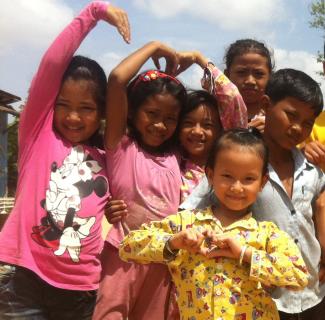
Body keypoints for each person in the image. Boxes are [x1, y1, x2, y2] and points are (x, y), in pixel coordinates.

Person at [0, 2, 130, 319]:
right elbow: (50, 65)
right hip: (25, 282)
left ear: (101, 113)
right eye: (63, 105)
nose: (73, 116)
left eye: (86, 108)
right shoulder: (37, 136)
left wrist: (113, 206)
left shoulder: (109, 156)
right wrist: (94, 13)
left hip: (80, 289)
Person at [119, 128, 308, 320]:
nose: (236, 187)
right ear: (210, 175)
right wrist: (173, 243)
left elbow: (299, 276)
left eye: (248, 179)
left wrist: (244, 253)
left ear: (262, 182)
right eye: (227, 176)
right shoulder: (187, 224)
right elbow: (127, 246)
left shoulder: (267, 234)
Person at [182, 68, 325, 320]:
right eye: (291, 115)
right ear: (267, 105)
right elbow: (190, 212)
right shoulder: (238, 160)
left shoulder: (312, 170)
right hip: (258, 296)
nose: (297, 128)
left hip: (312, 291)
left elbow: (319, 211)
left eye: (307, 123)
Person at [93, 41, 188, 320]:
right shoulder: (121, 147)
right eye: (152, 114)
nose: (160, 125)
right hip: (122, 256)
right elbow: (117, 80)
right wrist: (155, 46)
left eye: (170, 118)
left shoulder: (176, 155)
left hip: (162, 260)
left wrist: (194, 59)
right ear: (133, 112)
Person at [179, 90, 222, 201]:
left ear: (220, 130)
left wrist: (211, 71)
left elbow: (233, 97)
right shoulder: (171, 163)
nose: (197, 131)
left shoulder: (224, 169)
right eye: (188, 123)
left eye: (207, 125)